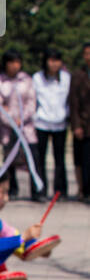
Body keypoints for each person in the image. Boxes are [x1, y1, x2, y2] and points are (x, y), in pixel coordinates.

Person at [0, 51, 37, 199]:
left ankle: (36, 190)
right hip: (8, 128)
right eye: (11, 62)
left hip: (26, 127)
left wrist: (22, 119)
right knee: (9, 159)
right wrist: (11, 120)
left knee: (32, 158)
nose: (15, 66)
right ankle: (11, 189)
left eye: (17, 62)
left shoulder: (26, 80)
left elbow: (31, 102)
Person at [32, 47, 71, 199]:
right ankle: (40, 190)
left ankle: (60, 191)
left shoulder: (66, 78)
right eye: (51, 60)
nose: (54, 64)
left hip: (60, 123)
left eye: (57, 60)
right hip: (41, 123)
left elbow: (69, 100)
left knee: (60, 159)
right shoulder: (37, 78)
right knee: (40, 159)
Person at [69, 42, 90, 202]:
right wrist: (76, 125)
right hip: (83, 124)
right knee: (82, 160)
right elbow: (73, 102)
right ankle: (84, 190)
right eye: (87, 53)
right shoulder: (78, 75)